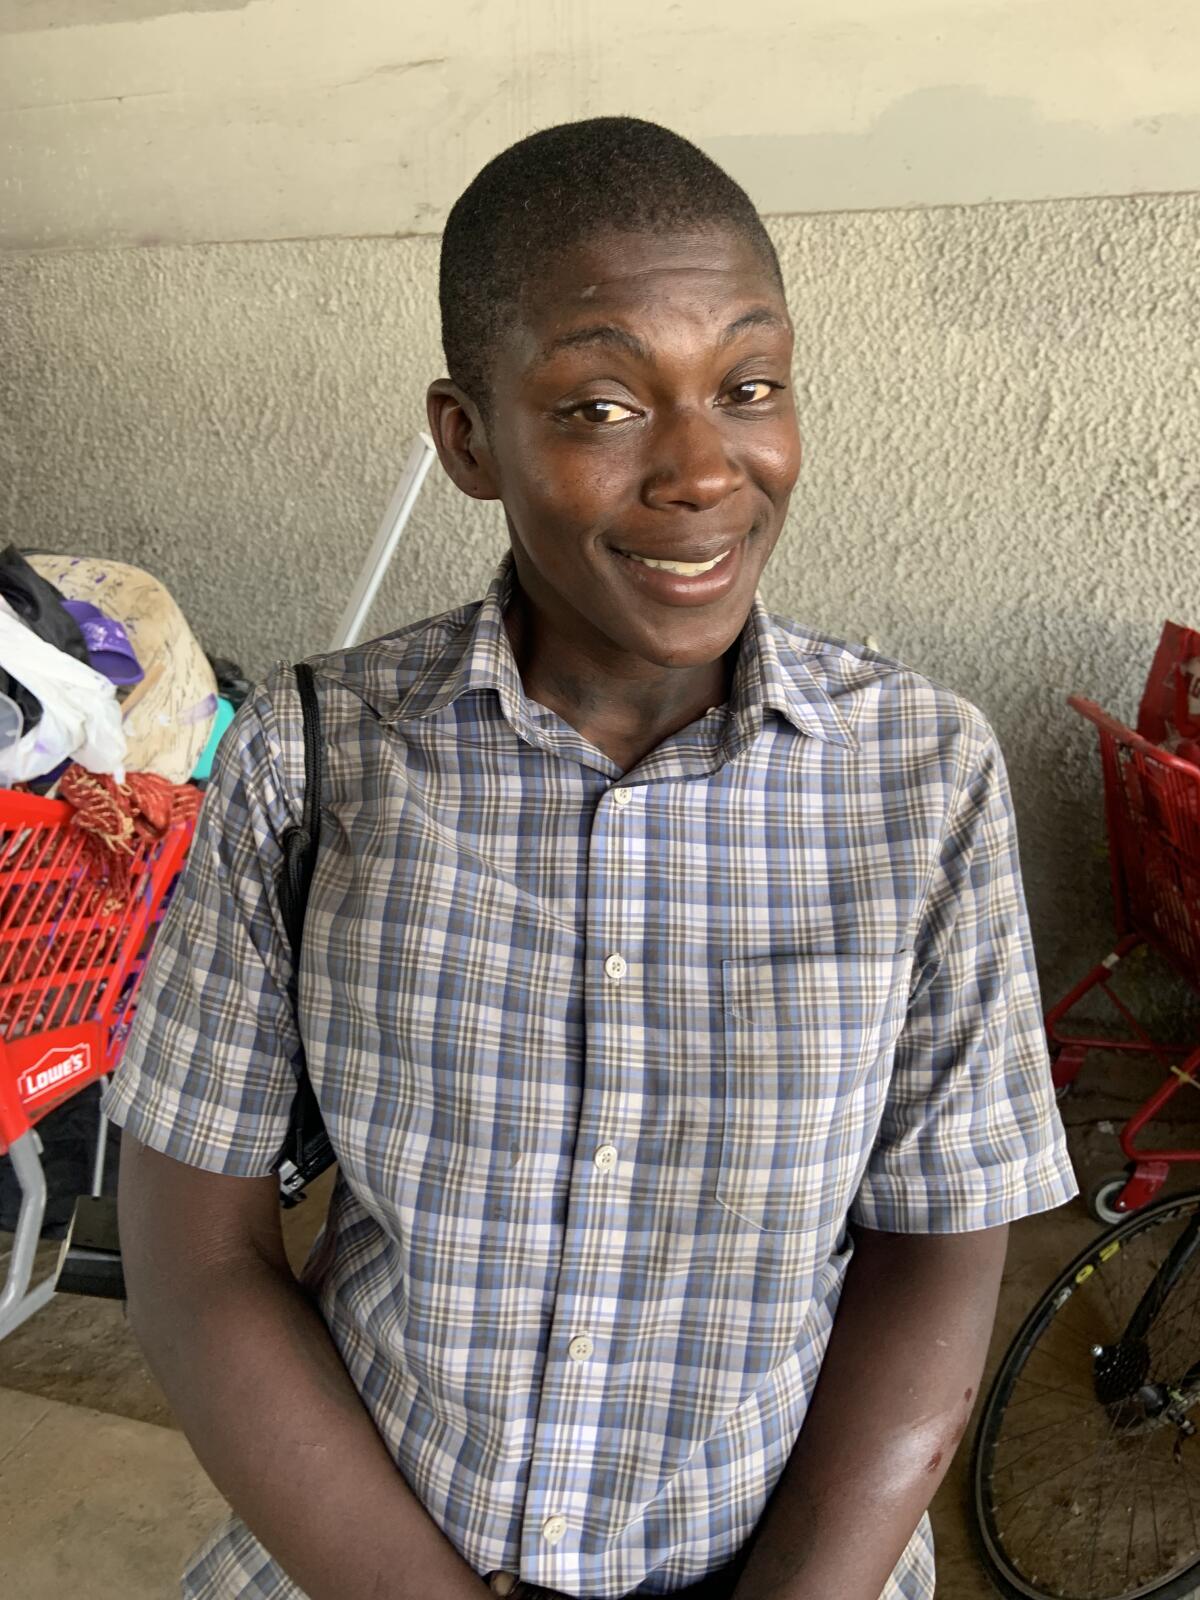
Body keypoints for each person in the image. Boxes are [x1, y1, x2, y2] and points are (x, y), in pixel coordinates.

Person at [109, 116, 1077, 1600]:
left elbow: (938, 1248)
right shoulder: (313, 765)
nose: (702, 468)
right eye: (603, 405)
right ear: (467, 439)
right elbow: (196, 1255)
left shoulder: (920, 779)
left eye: (749, 387)